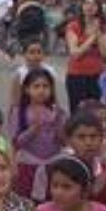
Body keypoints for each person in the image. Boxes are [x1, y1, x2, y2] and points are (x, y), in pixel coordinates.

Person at [9, 68, 66, 202]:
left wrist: (57, 124)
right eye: (36, 86)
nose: (41, 90)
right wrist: (34, 129)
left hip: (54, 165)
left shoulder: (58, 111)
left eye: (45, 86)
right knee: (27, 201)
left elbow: (63, 141)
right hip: (28, 166)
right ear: (27, 89)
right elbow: (16, 143)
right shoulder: (18, 111)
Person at [65, 0, 106, 114]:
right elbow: (75, 53)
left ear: (98, 8)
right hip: (76, 75)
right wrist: (92, 37)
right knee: (77, 112)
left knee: (95, 112)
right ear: (82, 6)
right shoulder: (73, 26)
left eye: (94, 4)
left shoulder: (104, 28)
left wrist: (98, 32)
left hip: (97, 75)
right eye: (87, 3)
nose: (90, 7)